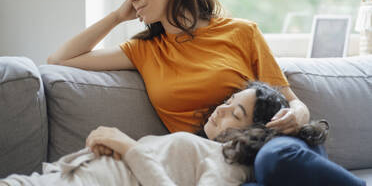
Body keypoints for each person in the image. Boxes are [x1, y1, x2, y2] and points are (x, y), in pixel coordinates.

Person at [42, 0, 341, 184]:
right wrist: (118, 16)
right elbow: (60, 58)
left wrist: (299, 114)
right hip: (221, 160)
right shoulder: (145, 50)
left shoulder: (241, 32)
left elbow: (290, 101)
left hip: (274, 142)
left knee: (273, 160)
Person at [0, 82, 365, 185]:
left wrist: (128, 148)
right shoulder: (202, 144)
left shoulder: (230, 163)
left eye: (235, 112)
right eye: (228, 100)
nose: (220, 108)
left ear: (253, 133)